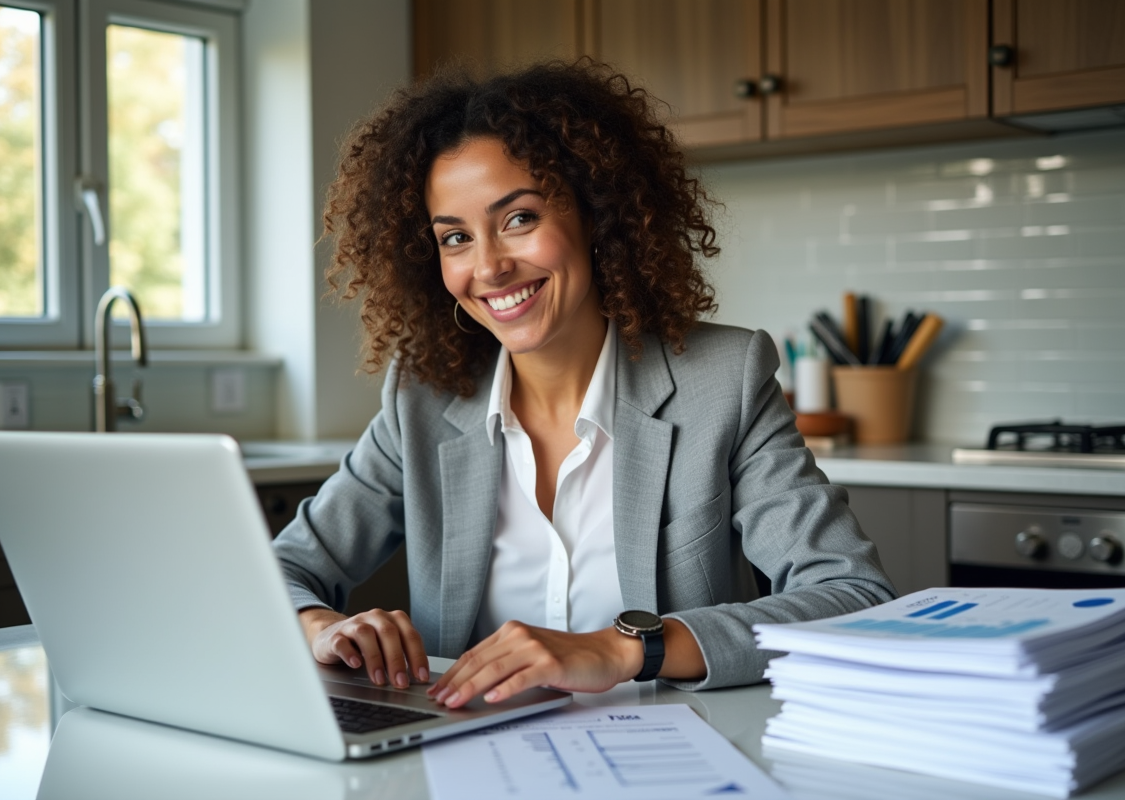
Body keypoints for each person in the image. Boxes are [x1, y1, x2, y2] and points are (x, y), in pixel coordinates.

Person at [272, 60, 895, 709]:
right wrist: (322, 626)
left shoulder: (723, 381)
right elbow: (279, 572)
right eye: (455, 237)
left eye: (518, 219)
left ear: (596, 212)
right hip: (468, 752)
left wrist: (627, 648)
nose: (488, 266)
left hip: (669, 757)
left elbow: (854, 596)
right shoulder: (422, 397)